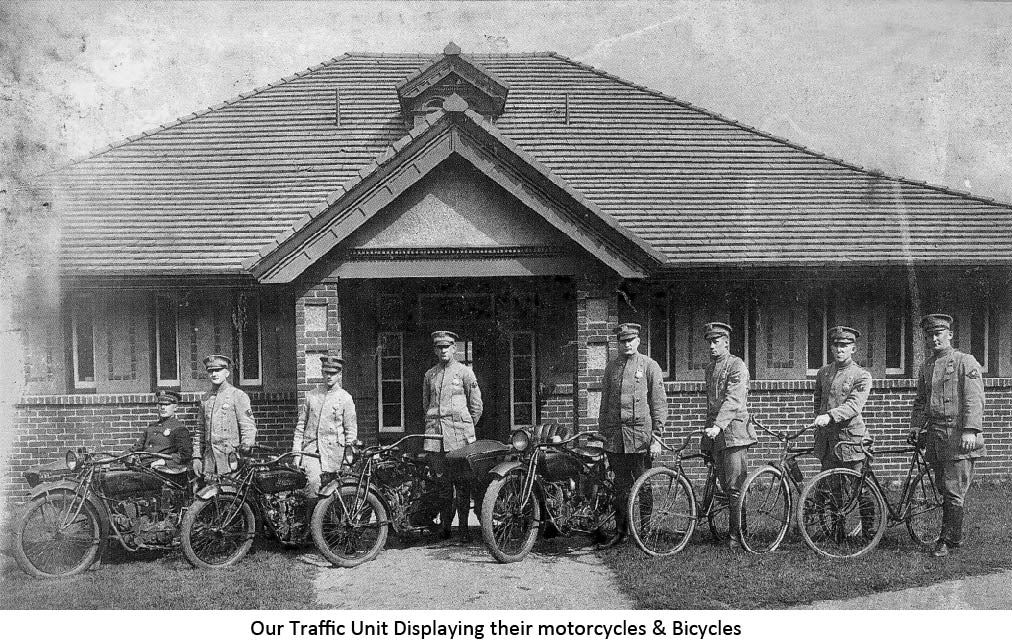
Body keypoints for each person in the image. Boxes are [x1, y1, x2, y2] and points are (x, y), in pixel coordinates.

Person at [909, 313, 985, 557]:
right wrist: (915, 426)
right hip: (936, 437)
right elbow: (921, 401)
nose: (933, 339)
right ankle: (955, 536)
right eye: (929, 335)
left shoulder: (965, 362)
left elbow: (974, 399)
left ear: (949, 334)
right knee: (943, 487)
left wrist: (970, 430)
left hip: (958, 436)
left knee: (954, 490)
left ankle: (947, 541)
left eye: (938, 334)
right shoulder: (927, 366)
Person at [598, 323, 666, 546]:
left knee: (643, 485)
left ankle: (645, 531)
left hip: (639, 439)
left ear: (638, 341)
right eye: (623, 341)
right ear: (618, 343)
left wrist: (656, 438)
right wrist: (602, 435)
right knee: (620, 487)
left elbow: (658, 404)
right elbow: (604, 404)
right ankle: (621, 532)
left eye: (630, 340)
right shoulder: (611, 368)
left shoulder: (649, 366)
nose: (627, 344)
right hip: (616, 439)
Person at [423, 330, 483, 543]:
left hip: (459, 439)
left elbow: (476, 406)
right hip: (436, 438)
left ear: (454, 348)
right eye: (439, 347)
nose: (443, 351)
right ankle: (446, 527)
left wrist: (464, 428)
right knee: (442, 486)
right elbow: (427, 405)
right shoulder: (430, 375)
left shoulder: (465, 373)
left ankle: (464, 528)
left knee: (463, 485)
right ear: (435, 350)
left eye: (446, 347)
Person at [701, 321, 755, 549]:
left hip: (734, 433)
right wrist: (707, 438)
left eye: (716, 342)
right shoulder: (710, 369)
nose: (712, 346)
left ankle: (737, 536)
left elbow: (733, 400)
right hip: (718, 434)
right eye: (709, 342)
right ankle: (737, 530)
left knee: (735, 487)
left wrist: (718, 426)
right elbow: (711, 406)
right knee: (724, 485)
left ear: (726, 342)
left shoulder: (736, 365)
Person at [292, 355, 357, 521]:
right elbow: (300, 426)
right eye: (326, 372)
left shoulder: (345, 398)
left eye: (333, 373)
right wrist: (297, 454)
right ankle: (310, 525)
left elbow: (350, 430)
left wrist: (348, 455)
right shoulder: (312, 396)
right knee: (313, 482)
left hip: (335, 453)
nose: (329, 376)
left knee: (336, 491)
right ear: (322, 373)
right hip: (312, 451)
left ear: (339, 375)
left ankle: (331, 527)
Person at [812, 326, 873, 471]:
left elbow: (854, 405)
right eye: (836, 345)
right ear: (831, 348)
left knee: (856, 484)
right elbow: (818, 400)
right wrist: (819, 418)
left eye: (844, 346)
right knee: (827, 484)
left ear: (853, 349)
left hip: (849, 442)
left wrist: (829, 416)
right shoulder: (823, 373)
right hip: (827, 442)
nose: (839, 350)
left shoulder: (861, 375)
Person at [192, 354, 257, 477]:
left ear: (227, 373)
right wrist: (196, 457)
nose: (214, 374)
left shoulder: (237, 395)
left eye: (218, 370)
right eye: (210, 371)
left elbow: (248, 428)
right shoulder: (205, 399)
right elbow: (200, 431)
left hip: (230, 461)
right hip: (209, 462)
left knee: (229, 489)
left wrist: (245, 453)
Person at [132, 389, 191, 468]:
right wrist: (123, 456)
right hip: (143, 466)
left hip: (160, 469)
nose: (163, 407)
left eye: (167, 405)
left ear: (175, 408)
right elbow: (136, 447)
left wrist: (164, 462)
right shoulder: (151, 427)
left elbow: (185, 455)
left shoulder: (179, 428)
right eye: (160, 404)